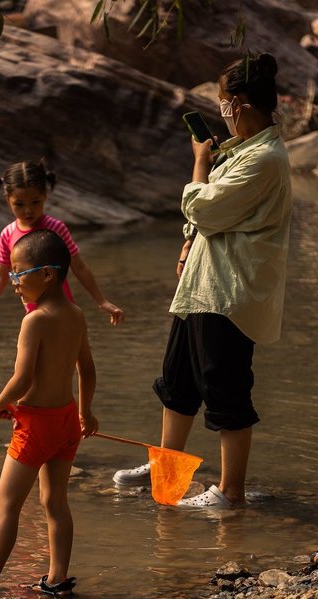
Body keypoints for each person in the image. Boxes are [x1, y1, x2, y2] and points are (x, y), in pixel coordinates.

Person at [114, 52, 292, 508]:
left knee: (226, 387)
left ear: (240, 103)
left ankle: (230, 492)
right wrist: (187, 242)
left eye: (223, 102)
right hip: (202, 284)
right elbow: (208, 220)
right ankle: (167, 469)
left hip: (230, 291)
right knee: (178, 382)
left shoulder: (266, 158)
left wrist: (198, 162)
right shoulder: (241, 152)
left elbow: (204, 207)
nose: (222, 111)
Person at [0, 229, 98, 599]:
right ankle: (57, 578)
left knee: (5, 506)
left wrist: (0, 403)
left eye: (18, 273)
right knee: (55, 502)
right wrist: (86, 412)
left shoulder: (35, 320)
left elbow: (23, 378)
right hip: (65, 420)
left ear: (47, 274)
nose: (12, 282)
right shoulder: (76, 314)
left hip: (37, 425)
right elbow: (87, 370)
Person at [0, 160, 125, 325]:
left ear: (45, 196)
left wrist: (102, 301)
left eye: (35, 202)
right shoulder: (8, 234)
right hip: (33, 314)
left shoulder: (56, 228)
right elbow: (0, 277)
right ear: (8, 200)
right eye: (19, 204)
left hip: (63, 311)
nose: (28, 210)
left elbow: (79, 267)